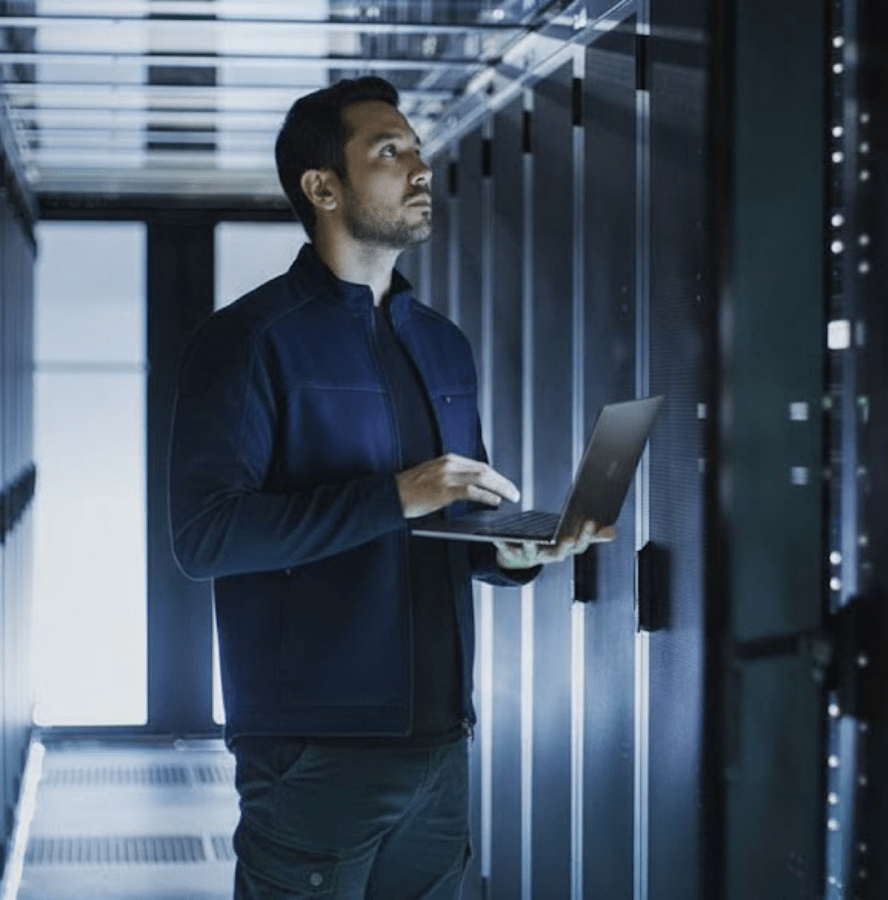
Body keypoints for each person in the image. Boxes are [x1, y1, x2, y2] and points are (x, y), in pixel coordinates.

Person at [168, 76, 607, 900]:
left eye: (418, 150)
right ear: (322, 187)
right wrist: (391, 496)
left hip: (441, 743)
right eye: (389, 151)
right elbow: (206, 537)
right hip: (314, 750)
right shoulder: (247, 341)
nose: (419, 169)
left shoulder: (441, 344)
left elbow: (449, 520)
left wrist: (513, 552)